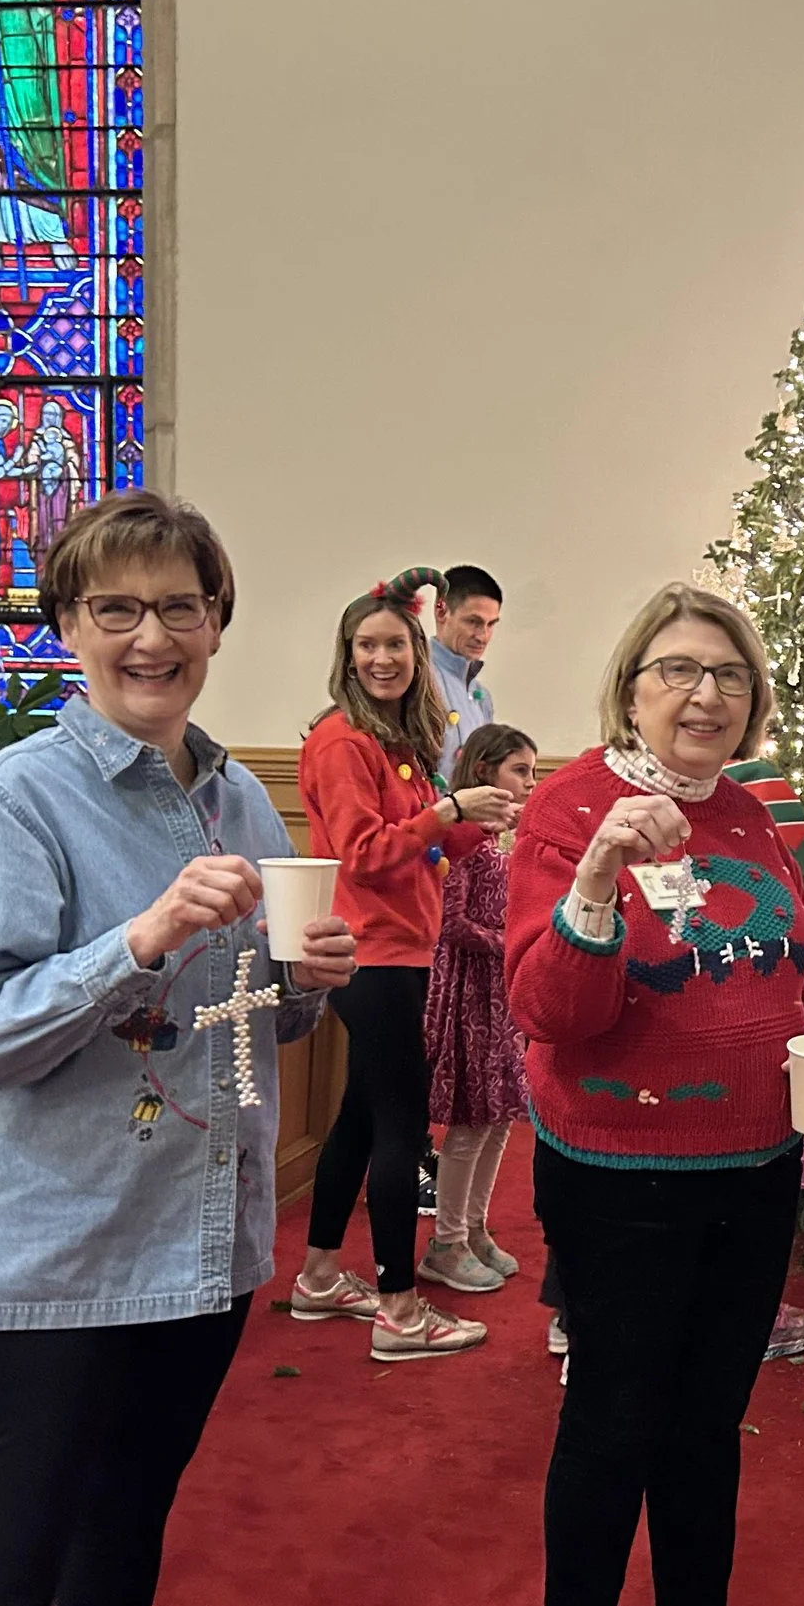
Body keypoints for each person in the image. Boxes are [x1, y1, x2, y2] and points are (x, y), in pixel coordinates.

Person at [0, 491, 358, 1606]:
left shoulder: (240, 792)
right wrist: (138, 937)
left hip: (198, 1242)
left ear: (217, 620)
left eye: (180, 606)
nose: (152, 634)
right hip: (57, 1257)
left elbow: (259, 1018)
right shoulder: (15, 801)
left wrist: (308, 982)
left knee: (122, 1534)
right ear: (66, 629)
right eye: (117, 608)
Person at [509, 581, 804, 1606]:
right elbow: (553, 1013)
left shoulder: (756, 819)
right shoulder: (570, 810)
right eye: (675, 671)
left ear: (752, 700)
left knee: (709, 1420)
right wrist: (598, 877)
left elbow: (798, 961)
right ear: (630, 690)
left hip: (754, 1164)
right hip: (618, 1176)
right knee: (612, 1424)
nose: (703, 694)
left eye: (725, 674)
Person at [291, 569, 519, 1357]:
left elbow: (421, 846)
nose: (382, 657)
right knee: (399, 1127)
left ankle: (319, 1276)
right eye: (368, 644)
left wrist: (476, 819)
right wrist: (448, 809)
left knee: (360, 1116)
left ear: (418, 654)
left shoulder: (400, 744)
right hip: (373, 952)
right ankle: (399, 1308)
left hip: (404, 946)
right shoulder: (340, 741)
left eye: (395, 644)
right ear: (347, 655)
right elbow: (363, 854)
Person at [421, 721, 539, 1292]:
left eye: (534, 772)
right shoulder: (464, 833)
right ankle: (445, 1243)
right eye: (520, 770)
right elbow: (452, 922)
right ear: (486, 770)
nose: (529, 782)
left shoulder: (509, 834)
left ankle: (474, 1226)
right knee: (470, 1122)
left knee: (498, 1121)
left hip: (501, 992)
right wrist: (509, 942)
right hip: (469, 988)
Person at [431, 564, 505, 780]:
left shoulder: (482, 698)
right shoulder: (415, 679)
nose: (483, 636)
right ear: (441, 611)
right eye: (473, 622)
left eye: (491, 624)